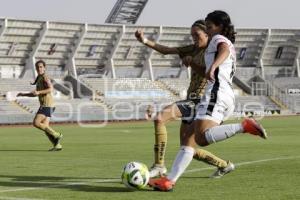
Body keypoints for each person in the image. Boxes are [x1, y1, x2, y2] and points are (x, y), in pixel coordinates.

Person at [148, 10, 267, 191]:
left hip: (216, 93)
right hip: (223, 95)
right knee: (189, 140)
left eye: (209, 27)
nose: (208, 30)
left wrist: (214, 65)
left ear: (219, 27)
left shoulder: (219, 40)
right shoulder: (220, 43)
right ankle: (169, 181)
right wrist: (197, 65)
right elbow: (207, 70)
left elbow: (224, 50)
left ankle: (244, 126)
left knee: (201, 139)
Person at [135, 20, 234, 178]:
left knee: (160, 118)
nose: (194, 38)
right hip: (191, 99)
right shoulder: (193, 49)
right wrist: (144, 41)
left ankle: (159, 166)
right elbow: (167, 50)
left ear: (207, 34)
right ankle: (224, 165)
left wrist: (192, 63)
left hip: (202, 100)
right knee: (187, 149)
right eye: (192, 35)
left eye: (197, 35)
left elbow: (209, 74)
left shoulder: (212, 51)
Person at [17, 60, 63, 151]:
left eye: (41, 66)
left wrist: (39, 92)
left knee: (36, 123)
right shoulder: (39, 78)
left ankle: (57, 134)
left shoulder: (45, 77)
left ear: (44, 68)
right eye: (37, 67)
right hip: (49, 105)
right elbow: (35, 94)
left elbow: (51, 89)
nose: (39, 68)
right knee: (45, 128)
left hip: (47, 105)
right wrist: (23, 94)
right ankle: (57, 145)